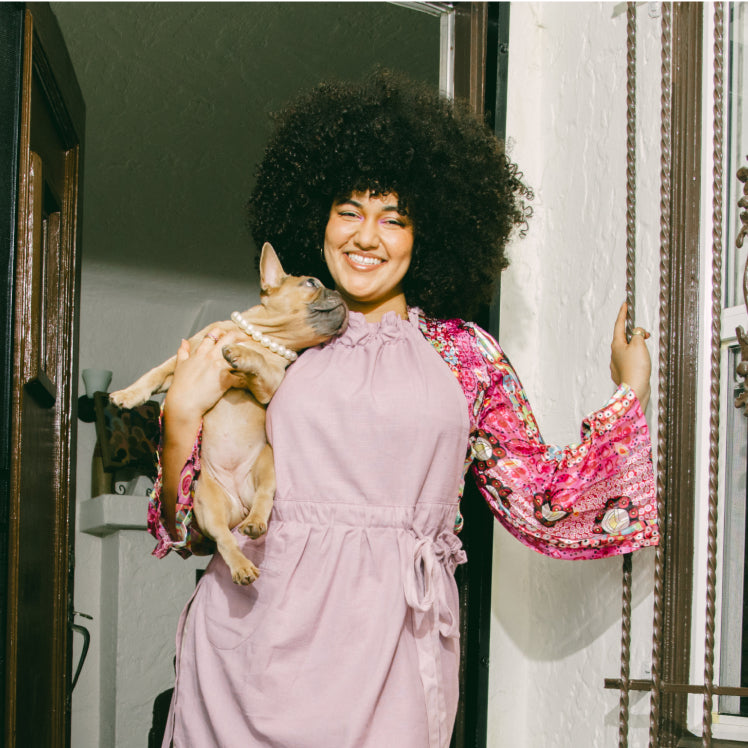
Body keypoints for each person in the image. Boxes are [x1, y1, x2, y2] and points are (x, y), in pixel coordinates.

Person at [148, 72, 656, 748]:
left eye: (395, 217)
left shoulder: (464, 356)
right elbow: (185, 526)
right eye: (348, 210)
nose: (367, 236)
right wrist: (180, 416)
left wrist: (630, 392)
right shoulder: (277, 342)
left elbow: (544, 502)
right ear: (316, 219)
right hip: (254, 652)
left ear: (428, 235)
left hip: (393, 656)